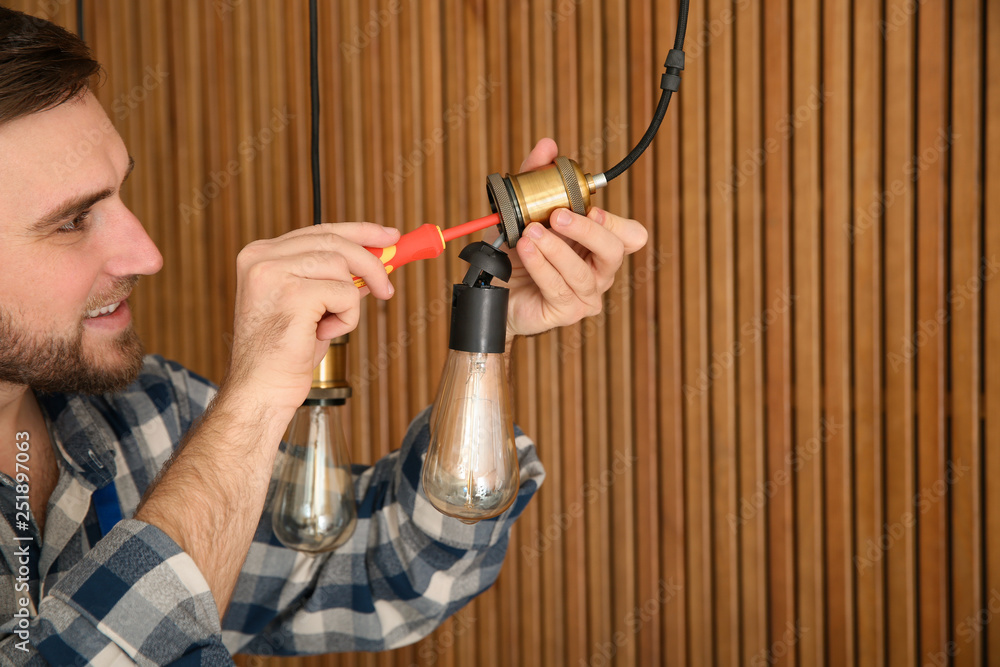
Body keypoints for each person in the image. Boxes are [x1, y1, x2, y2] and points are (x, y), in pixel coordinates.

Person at [0, 6, 648, 665]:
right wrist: (252, 400)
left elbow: (384, 570)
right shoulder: (194, 419)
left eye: (119, 195)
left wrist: (487, 329)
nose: (146, 253)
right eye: (72, 221)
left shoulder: (136, 414)